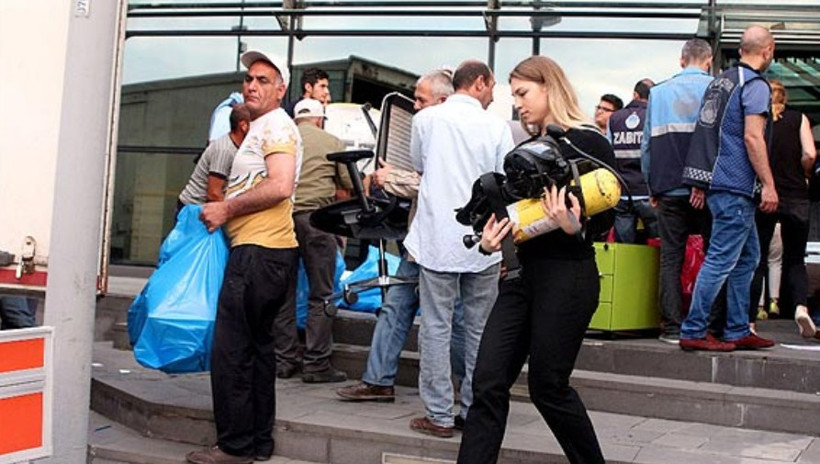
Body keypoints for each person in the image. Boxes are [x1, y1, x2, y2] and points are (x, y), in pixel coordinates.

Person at [457, 55, 615, 464]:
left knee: (548, 387)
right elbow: (513, 222)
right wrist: (490, 243)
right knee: (487, 381)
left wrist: (572, 225)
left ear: (549, 86)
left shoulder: (588, 142)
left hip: (568, 276)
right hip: (519, 278)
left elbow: (606, 220)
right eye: (514, 96)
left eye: (523, 93)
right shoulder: (523, 150)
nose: (518, 104)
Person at [186, 49, 303, 464]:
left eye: (263, 80)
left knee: (233, 351)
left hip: (259, 252)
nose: (252, 86)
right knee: (256, 350)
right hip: (267, 253)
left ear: (281, 89)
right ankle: (257, 442)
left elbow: (281, 185)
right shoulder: (263, 126)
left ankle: (235, 447)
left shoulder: (277, 126)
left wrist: (225, 209)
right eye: (249, 79)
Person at [336, 68, 464, 403]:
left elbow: (434, 183)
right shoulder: (429, 132)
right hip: (420, 238)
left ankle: (465, 391)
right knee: (395, 305)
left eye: (421, 100)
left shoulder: (454, 135)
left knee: (453, 318)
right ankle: (378, 380)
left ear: (443, 101)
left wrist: (390, 178)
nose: (416, 106)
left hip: (445, 243)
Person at [404, 60, 514, 439]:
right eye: (492, 86)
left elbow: (418, 165)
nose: (493, 94)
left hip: (437, 237)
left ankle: (438, 414)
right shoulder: (497, 126)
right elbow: (504, 180)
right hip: (485, 238)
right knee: (480, 330)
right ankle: (472, 410)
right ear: (479, 82)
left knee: (436, 326)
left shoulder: (426, 120)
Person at [680, 25, 778, 352]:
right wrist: (768, 184)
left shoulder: (721, 82)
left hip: (718, 183)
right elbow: (753, 136)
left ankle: (736, 327)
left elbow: (705, 132)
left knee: (747, 256)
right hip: (736, 184)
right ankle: (694, 329)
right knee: (721, 259)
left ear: (739, 50)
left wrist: (700, 181)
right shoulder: (755, 85)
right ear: (768, 50)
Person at [640, 38, 715, 344]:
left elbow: (647, 145)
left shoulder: (657, 93)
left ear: (682, 60)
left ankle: (671, 326)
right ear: (709, 61)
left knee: (671, 257)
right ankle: (708, 323)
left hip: (668, 187)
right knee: (714, 256)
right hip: (708, 189)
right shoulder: (717, 89)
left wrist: (652, 185)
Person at [274, 98, 353, 383]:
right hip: (316, 221)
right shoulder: (331, 141)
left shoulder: (283, 139)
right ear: (320, 119)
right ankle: (316, 363)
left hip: (282, 221)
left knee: (284, 292)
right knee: (322, 293)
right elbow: (348, 185)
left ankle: (284, 360)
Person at [746, 80, 816, 336]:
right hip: (796, 194)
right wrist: (803, 171)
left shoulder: (758, 121)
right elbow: (810, 154)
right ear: (785, 98)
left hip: (765, 194)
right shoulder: (799, 119)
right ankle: (800, 308)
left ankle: (750, 321)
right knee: (795, 258)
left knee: (758, 258)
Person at [178, 104, 251, 211]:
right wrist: (235, 211)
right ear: (243, 126)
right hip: (195, 210)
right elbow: (213, 193)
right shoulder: (224, 150)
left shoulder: (240, 147)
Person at [609, 78, 656, 243]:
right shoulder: (654, 116)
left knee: (624, 247)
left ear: (635, 94)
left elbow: (609, 153)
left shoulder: (614, 118)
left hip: (623, 193)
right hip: (647, 192)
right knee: (657, 243)